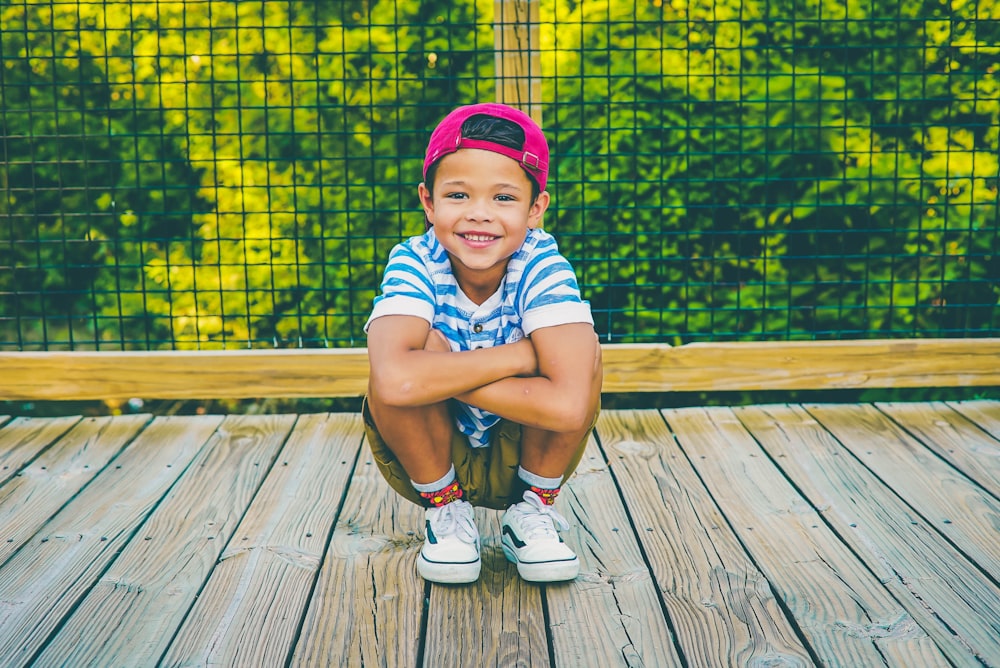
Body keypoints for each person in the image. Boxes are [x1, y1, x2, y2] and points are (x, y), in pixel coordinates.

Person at [363, 102, 603, 585]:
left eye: (503, 198)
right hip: (434, 449)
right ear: (428, 203)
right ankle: (446, 514)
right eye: (457, 194)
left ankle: (532, 514)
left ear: (536, 209)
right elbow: (392, 382)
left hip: (524, 443)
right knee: (412, 347)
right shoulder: (414, 260)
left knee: (582, 351)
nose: (479, 214)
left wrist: (435, 375)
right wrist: (518, 356)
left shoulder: (543, 265)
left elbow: (568, 407)